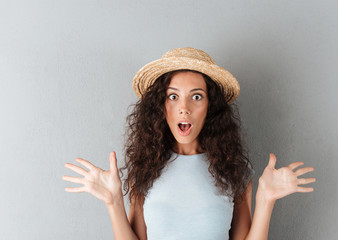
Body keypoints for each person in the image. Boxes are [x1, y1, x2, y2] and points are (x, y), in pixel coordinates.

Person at [63, 47, 316, 240]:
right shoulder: (144, 172)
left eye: (196, 96)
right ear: (161, 106)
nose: (183, 108)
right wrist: (113, 202)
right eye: (173, 96)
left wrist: (266, 201)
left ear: (211, 106)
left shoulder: (234, 171)